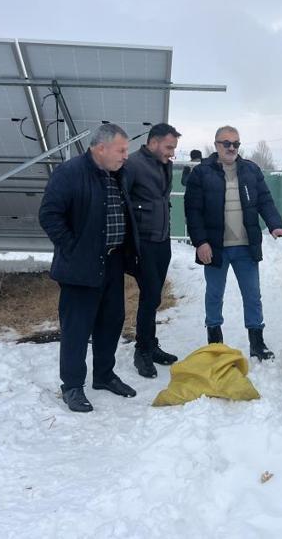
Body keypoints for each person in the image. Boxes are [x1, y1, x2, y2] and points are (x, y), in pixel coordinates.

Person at [39, 123, 139, 413]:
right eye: (121, 150)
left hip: (112, 261)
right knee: (77, 328)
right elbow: (49, 215)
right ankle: (72, 386)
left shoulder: (117, 175)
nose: (125, 156)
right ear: (100, 148)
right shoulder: (70, 173)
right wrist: (73, 247)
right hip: (80, 267)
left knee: (111, 321)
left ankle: (104, 375)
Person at [184, 125, 282, 360]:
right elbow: (193, 212)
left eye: (236, 144)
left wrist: (275, 225)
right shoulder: (201, 173)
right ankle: (215, 343)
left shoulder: (251, 171)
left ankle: (257, 343)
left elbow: (265, 200)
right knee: (214, 294)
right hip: (214, 247)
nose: (231, 148)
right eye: (227, 143)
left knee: (252, 294)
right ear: (216, 145)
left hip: (245, 246)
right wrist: (200, 242)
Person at [125, 122, 181, 378]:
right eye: (169, 147)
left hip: (162, 241)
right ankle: (142, 351)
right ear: (154, 141)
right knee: (149, 297)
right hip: (144, 242)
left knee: (155, 296)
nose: (172, 152)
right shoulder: (133, 164)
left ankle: (151, 344)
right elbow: (122, 203)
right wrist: (129, 245)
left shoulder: (164, 164)